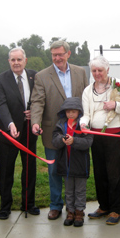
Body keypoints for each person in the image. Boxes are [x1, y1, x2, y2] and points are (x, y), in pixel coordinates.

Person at [31, 40, 88, 220]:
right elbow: (38, 102)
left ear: (68, 54)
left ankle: (75, 207)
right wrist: (35, 121)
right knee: (54, 170)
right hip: (53, 132)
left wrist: (87, 121)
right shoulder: (41, 76)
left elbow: (86, 99)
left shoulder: (80, 72)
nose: (57, 58)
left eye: (60, 54)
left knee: (76, 170)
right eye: (54, 55)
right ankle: (56, 205)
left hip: (78, 131)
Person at [80, 56, 120, 225]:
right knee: (100, 172)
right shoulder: (87, 91)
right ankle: (103, 206)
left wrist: (116, 106)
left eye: (100, 71)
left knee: (115, 173)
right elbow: (86, 114)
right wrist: (83, 124)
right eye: (94, 71)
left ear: (108, 70)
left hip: (116, 137)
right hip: (97, 137)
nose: (97, 74)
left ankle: (115, 210)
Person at [0, 47, 38, 220]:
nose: (16, 63)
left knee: (29, 168)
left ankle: (29, 203)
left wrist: (33, 111)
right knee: (6, 170)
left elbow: (40, 98)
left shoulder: (35, 76)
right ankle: (5, 206)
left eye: (19, 59)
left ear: (25, 60)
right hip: (8, 133)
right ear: (9, 62)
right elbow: (1, 104)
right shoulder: (0, 80)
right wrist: (10, 123)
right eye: (13, 60)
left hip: (29, 131)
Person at [52, 97, 93, 227]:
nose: (70, 114)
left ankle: (79, 212)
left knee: (80, 190)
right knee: (69, 190)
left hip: (80, 165)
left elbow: (88, 142)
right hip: (66, 164)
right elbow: (55, 140)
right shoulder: (60, 125)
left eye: (73, 112)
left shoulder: (83, 125)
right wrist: (62, 140)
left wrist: (74, 141)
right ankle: (70, 211)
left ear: (79, 112)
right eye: (68, 111)